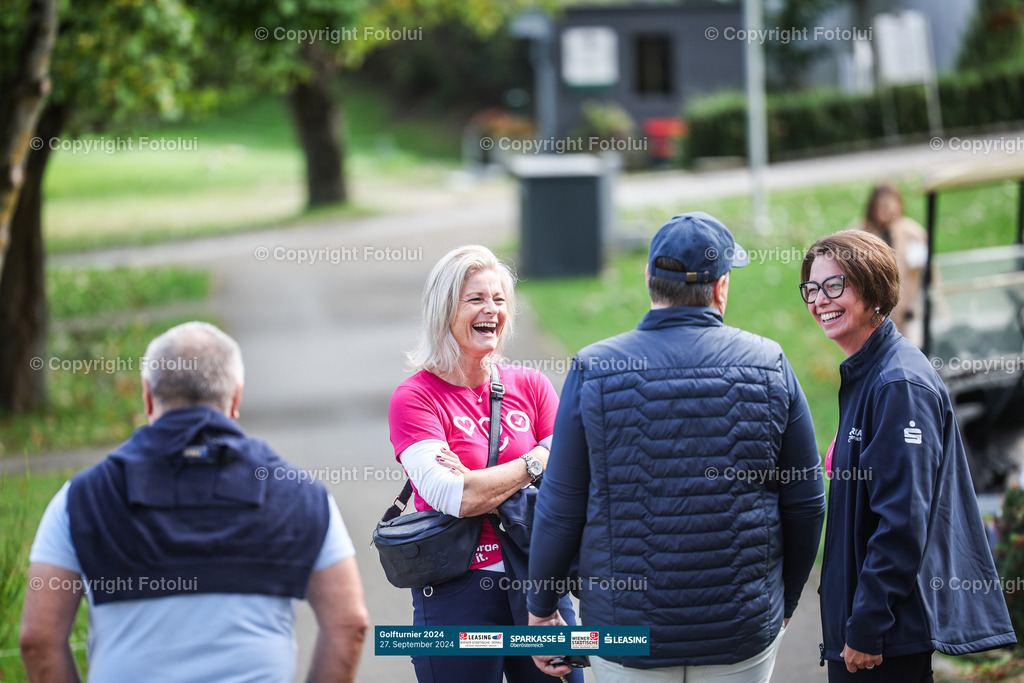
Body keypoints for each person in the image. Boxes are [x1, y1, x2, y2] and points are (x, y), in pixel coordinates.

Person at [528, 212, 826, 682]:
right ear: (721, 287)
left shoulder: (594, 370)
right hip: (742, 631)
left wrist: (541, 610)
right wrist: (784, 602)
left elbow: (561, 504)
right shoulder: (771, 365)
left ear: (650, 279)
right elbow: (807, 504)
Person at [19, 322, 369, 683]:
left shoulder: (80, 499)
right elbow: (349, 624)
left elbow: (38, 639)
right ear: (236, 398)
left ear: (147, 396)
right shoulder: (302, 495)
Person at [800, 230, 1015, 682]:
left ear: (873, 288)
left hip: (884, 641)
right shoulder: (869, 372)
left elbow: (902, 522)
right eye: (812, 288)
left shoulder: (898, 384)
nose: (821, 299)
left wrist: (865, 628)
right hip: (869, 632)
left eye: (835, 285)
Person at [388, 245, 582, 683]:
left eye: (498, 300)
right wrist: (537, 461)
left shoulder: (531, 385)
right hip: (456, 586)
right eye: (476, 299)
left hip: (539, 583)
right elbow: (456, 494)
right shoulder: (415, 398)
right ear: (444, 311)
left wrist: (498, 475)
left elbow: (571, 480)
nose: (491, 310)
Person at [861, 183, 928, 346]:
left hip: (909, 311)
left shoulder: (913, 234)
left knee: (914, 348)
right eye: (881, 206)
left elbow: (920, 274)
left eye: (890, 205)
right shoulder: (861, 233)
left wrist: (910, 306)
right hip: (873, 315)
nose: (887, 211)